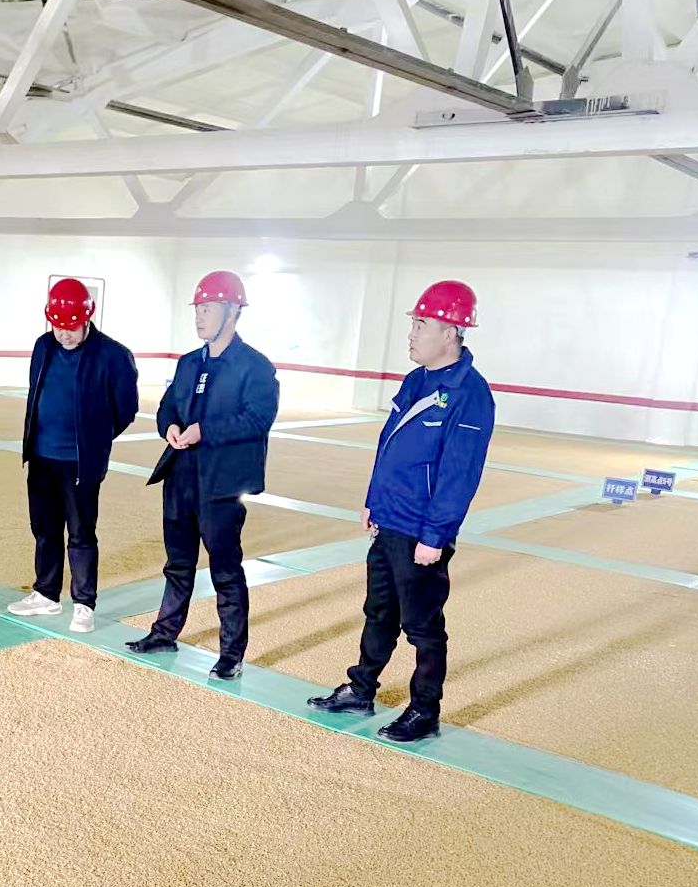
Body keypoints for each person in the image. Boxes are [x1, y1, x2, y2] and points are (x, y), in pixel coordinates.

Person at [307, 280, 495, 742]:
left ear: (450, 331)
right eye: (413, 324)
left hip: (421, 531)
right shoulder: (416, 380)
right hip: (389, 519)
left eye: (421, 324)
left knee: (422, 626)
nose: (411, 334)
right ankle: (361, 688)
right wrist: (373, 500)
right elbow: (389, 447)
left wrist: (435, 535)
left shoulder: (469, 394)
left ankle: (425, 710)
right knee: (378, 611)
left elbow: (459, 474)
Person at [125, 270, 278, 680]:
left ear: (232, 311)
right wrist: (171, 427)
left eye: (207, 309)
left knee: (225, 569)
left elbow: (259, 419)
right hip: (181, 476)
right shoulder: (189, 363)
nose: (199, 316)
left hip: (222, 483)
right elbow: (167, 407)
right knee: (177, 563)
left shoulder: (255, 367)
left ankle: (232, 653)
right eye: (198, 309)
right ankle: (164, 632)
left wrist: (204, 431)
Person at [8, 278, 140, 633]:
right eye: (57, 326)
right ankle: (46, 594)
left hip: (80, 463)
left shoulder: (113, 355)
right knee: (45, 529)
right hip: (42, 457)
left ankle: (84, 604)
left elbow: (126, 409)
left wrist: (93, 439)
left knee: (81, 533)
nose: (63, 334)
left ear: (87, 319)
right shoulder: (43, 346)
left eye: (70, 327)